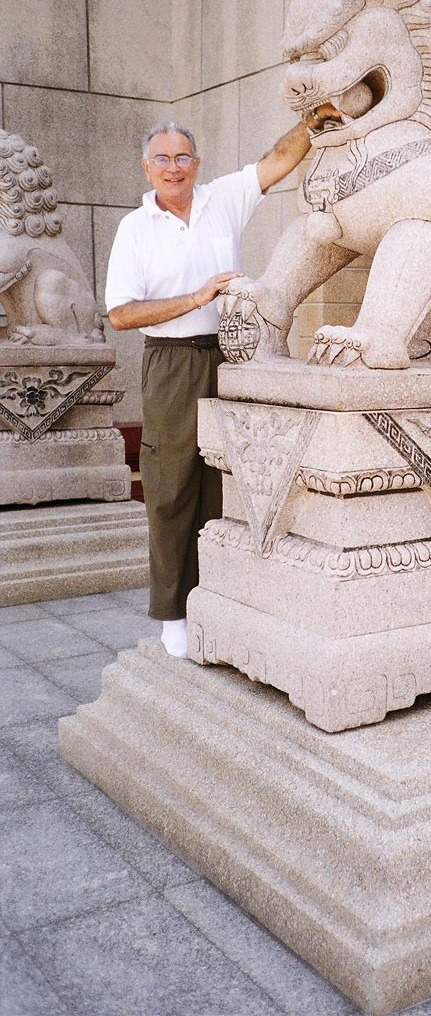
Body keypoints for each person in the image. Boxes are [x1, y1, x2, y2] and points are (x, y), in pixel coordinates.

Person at [105, 113, 338, 658]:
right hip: (171, 363)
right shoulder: (134, 229)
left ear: (197, 163)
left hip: (231, 357)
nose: (173, 167)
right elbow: (119, 314)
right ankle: (173, 614)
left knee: (227, 479)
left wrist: (313, 120)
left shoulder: (222, 198)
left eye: (182, 157)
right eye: (161, 159)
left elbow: (278, 158)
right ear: (147, 167)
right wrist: (198, 296)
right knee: (171, 485)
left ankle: (220, 597)